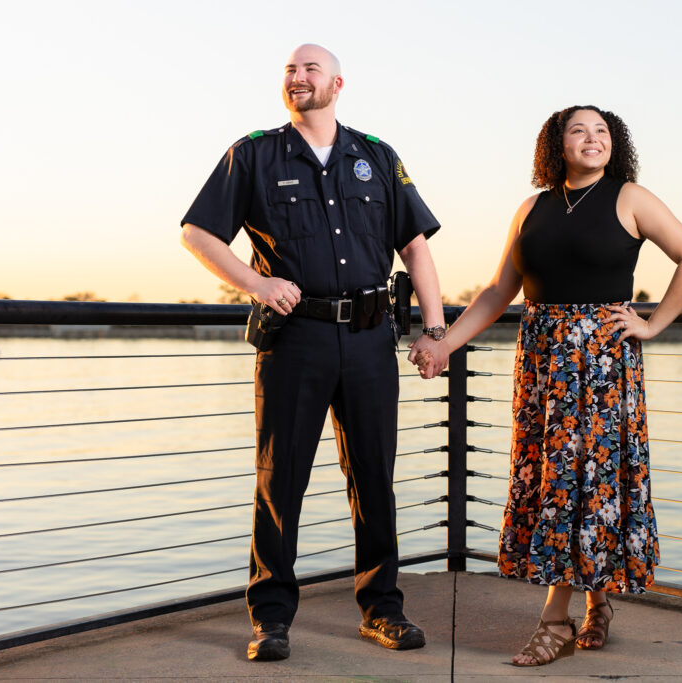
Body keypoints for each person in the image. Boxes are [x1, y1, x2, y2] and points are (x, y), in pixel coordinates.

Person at [409, 105, 682, 666]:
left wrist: (652, 323)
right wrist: (446, 344)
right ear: (557, 144)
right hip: (544, 363)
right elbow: (501, 290)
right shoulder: (532, 208)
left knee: (583, 479)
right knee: (557, 474)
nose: (592, 139)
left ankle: (555, 622)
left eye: (601, 131)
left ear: (614, 143)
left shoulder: (631, 198)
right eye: (579, 130)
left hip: (601, 366)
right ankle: (597, 605)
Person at [180, 43, 447, 662]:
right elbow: (197, 232)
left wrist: (433, 331)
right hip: (293, 339)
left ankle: (382, 610)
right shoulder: (252, 153)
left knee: (373, 477)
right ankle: (270, 620)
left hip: (368, 339)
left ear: (337, 83)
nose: (297, 78)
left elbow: (416, 249)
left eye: (310, 70)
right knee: (281, 482)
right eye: (290, 71)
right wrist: (256, 283)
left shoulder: (377, 157)